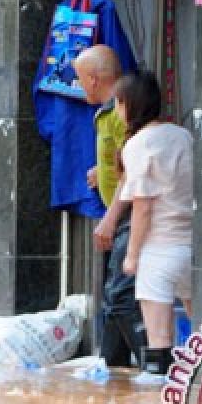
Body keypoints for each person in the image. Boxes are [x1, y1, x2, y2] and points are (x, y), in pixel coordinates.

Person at [116, 70, 194, 382]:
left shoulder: (137, 145)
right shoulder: (182, 135)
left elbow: (143, 207)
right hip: (191, 246)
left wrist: (132, 256)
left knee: (159, 346)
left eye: (117, 105)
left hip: (159, 251)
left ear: (128, 105)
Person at [73, 45, 146, 368]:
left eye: (79, 79)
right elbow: (119, 161)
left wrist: (110, 219)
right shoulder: (105, 114)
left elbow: (133, 170)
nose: (78, 86)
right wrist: (100, 171)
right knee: (115, 294)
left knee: (119, 294)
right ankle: (112, 368)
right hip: (121, 214)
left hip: (130, 215)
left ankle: (156, 364)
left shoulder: (120, 111)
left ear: (92, 79)